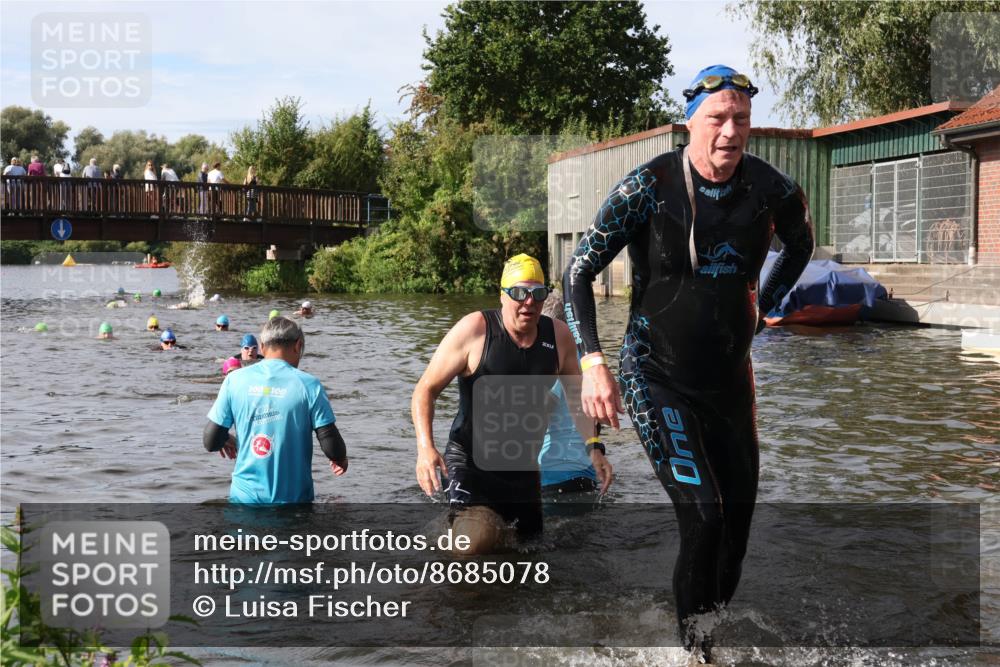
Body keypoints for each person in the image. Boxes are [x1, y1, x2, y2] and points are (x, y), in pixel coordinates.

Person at [562, 65, 814, 661]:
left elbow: (800, 244)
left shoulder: (772, 189)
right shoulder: (647, 188)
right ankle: (691, 654)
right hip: (657, 376)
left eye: (742, 120)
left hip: (730, 383)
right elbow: (578, 271)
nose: (730, 132)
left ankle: (709, 630)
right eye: (718, 119)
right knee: (703, 516)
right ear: (693, 122)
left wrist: (765, 304)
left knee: (736, 531)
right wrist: (594, 362)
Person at [412, 254, 591, 553]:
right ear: (503, 295)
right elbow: (425, 390)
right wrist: (424, 448)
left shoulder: (558, 337)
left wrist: (595, 446)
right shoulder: (475, 331)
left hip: (523, 473)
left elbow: (577, 396)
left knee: (527, 557)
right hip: (471, 465)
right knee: (472, 545)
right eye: (519, 293)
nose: (529, 302)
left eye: (537, 294)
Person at [203, 316, 348, 504]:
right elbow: (331, 446)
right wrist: (340, 458)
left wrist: (225, 438)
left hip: (245, 502)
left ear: (262, 347)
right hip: (294, 504)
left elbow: (210, 441)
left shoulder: (234, 380)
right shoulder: (309, 385)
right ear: (298, 345)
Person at [538, 292, 612, 500]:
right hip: (587, 478)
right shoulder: (593, 367)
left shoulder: (551, 360)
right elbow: (597, 422)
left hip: (550, 480)